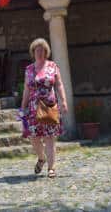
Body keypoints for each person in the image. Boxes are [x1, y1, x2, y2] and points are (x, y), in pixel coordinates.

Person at [20, 38, 68, 178]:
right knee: (33, 137)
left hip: (49, 106)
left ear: (46, 52)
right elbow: (26, 89)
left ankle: (51, 168)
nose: (40, 52)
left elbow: (59, 85)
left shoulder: (53, 66)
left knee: (49, 138)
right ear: (33, 52)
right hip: (34, 108)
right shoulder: (29, 70)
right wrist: (23, 106)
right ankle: (42, 158)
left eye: (43, 50)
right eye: (37, 50)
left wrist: (64, 101)